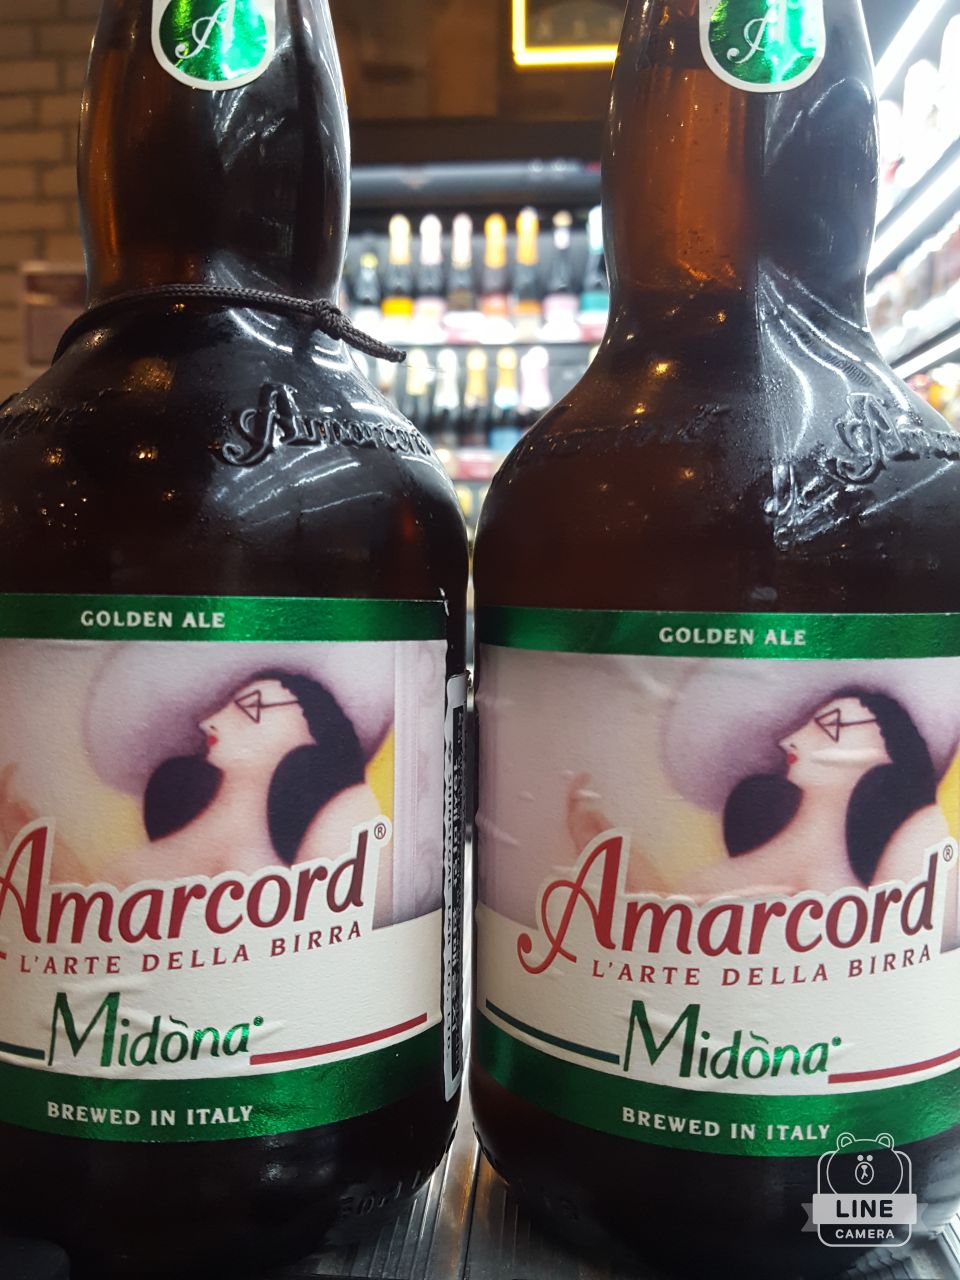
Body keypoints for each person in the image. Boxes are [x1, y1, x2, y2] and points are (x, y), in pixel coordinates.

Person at [569, 687, 957, 942]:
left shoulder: (917, 842)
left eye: (828, 727)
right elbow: (664, 926)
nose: (791, 740)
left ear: (891, 749)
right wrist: (609, 853)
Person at [109, 671, 383, 887]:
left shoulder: (342, 819)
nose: (210, 723)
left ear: (311, 730)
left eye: (248, 707)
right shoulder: (132, 867)